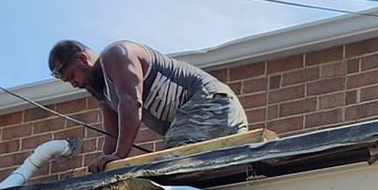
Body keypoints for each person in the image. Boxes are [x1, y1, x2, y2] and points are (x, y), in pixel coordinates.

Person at [47, 39, 250, 173]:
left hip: (212, 102)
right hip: (203, 116)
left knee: (171, 167)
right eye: (68, 81)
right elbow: (112, 135)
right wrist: (103, 166)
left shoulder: (116, 55)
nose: (74, 84)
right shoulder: (103, 92)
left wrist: (119, 155)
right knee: (182, 169)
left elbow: (131, 102)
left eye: (73, 76)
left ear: (83, 59)